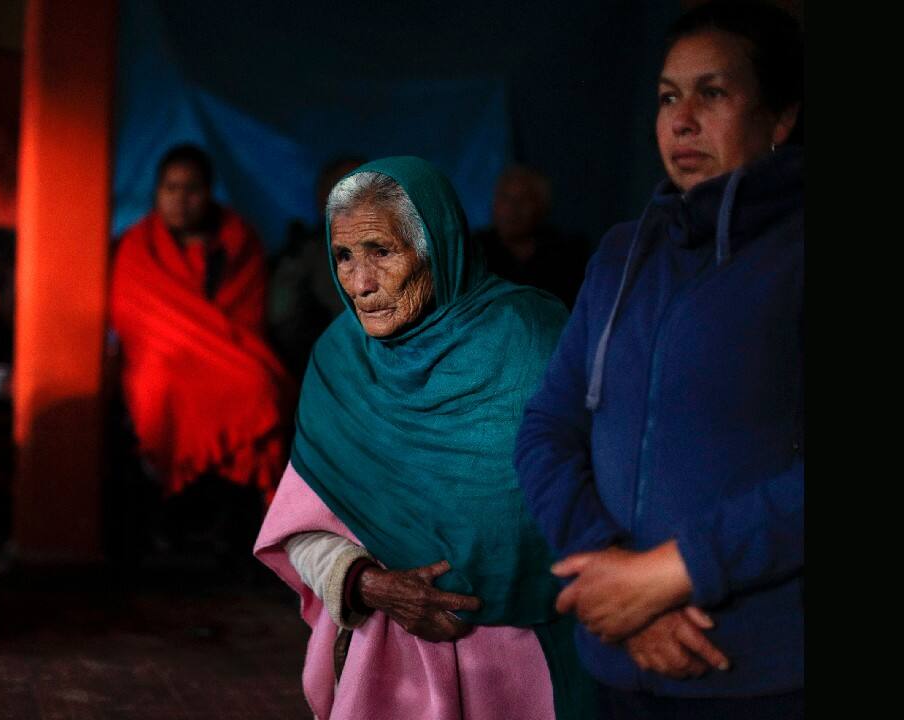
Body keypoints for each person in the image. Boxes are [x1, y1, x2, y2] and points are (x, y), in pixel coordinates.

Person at [513, 2, 803, 717]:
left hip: (762, 669)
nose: (682, 120)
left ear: (782, 118)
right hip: (620, 660)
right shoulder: (621, 254)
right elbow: (546, 428)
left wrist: (677, 572)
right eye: (669, 97)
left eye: (714, 92)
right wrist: (616, 581)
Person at [255, 156, 593, 720]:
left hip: (529, 663)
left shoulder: (534, 341)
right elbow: (301, 529)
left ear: (438, 244)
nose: (360, 285)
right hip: (387, 664)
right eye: (344, 256)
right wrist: (368, 585)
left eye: (382, 252)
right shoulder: (340, 363)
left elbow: (598, 500)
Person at [109, 144, 292, 555]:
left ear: (209, 192)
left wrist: (207, 345)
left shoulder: (237, 239)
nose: (181, 198)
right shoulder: (139, 245)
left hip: (226, 351)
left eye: (192, 188)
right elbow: (134, 316)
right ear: (156, 192)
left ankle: (236, 521)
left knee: (259, 384)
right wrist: (185, 343)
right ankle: (170, 513)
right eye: (171, 187)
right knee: (160, 388)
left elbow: (247, 313)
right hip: (161, 354)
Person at [268, 155, 366, 377]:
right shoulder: (306, 254)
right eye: (349, 189)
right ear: (324, 200)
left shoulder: (401, 244)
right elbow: (283, 318)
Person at [471, 165, 588, 308]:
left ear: (542, 206)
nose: (512, 209)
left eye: (524, 200)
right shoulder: (475, 251)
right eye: (505, 198)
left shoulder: (566, 253)